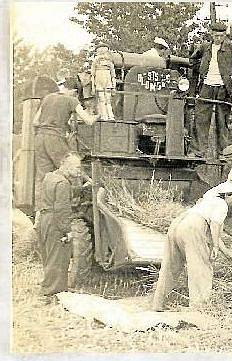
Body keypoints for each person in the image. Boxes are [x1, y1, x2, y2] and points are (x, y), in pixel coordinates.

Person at [152, 181, 232, 311]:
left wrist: (227, 254)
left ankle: (157, 303)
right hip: (192, 228)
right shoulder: (221, 204)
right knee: (201, 267)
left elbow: (215, 236)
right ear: (226, 196)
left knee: (170, 266)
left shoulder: (206, 203)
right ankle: (199, 306)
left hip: (177, 224)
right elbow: (215, 226)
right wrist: (214, 247)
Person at [33, 76, 99, 215]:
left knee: (42, 176)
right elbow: (88, 121)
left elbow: (35, 121)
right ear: (74, 91)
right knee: (72, 169)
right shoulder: (71, 100)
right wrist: (96, 116)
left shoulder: (47, 98)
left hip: (40, 138)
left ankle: (40, 214)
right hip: (55, 139)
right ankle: (73, 211)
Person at [188, 22, 232, 157]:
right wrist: (201, 69)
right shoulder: (205, 47)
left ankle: (223, 152)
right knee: (201, 119)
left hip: (223, 89)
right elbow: (192, 60)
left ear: (225, 35)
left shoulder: (231, 47)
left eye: (221, 36)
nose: (219, 38)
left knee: (222, 121)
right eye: (216, 35)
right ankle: (198, 151)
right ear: (211, 34)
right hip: (206, 87)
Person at [36, 153, 82, 303]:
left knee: (49, 255)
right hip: (55, 221)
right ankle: (51, 293)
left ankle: (51, 287)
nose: (79, 171)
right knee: (59, 257)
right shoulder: (63, 183)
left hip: (45, 218)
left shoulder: (49, 177)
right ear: (66, 166)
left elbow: (44, 198)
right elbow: (62, 209)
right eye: (77, 168)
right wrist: (67, 230)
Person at [91, 43, 116, 120]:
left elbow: (113, 76)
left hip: (108, 82)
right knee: (101, 99)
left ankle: (110, 116)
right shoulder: (95, 62)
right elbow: (93, 75)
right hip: (98, 82)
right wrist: (93, 87)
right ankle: (103, 115)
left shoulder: (109, 63)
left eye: (104, 52)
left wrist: (114, 86)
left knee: (108, 99)